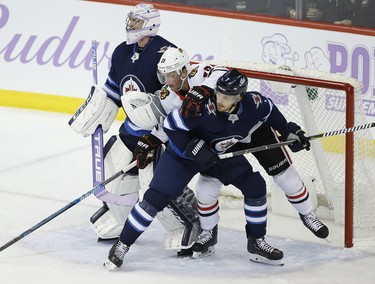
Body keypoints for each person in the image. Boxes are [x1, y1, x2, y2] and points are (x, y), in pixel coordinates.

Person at [103, 68, 323, 270]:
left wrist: (289, 132)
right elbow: (171, 126)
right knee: (153, 201)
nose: (220, 100)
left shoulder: (254, 104)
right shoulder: (200, 108)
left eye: (227, 97)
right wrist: (191, 147)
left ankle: (256, 242)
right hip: (182, 157)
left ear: (239, 97)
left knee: (255, 187)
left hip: (217, 156)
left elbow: (271, 112)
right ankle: (122, 245)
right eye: (219, 94)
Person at [69, 3, 182, 242]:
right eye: (131, 20)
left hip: (159, 135)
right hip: (131, 131)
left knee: (154, 185)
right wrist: (98, 111)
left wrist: (158, 122)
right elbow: (113, 91)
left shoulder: (165, 53)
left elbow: (176, 96)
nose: (132, 25)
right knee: (114, 169)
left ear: (151, 23)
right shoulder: (122, 52)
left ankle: (183, 225)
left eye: (137, 22)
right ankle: (121, 221)